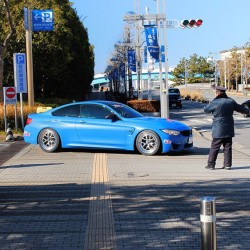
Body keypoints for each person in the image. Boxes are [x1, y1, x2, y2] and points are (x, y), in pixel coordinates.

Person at [204, 86, 249, 170]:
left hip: (218, 127)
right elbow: (241, 109)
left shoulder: (216, 101)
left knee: (215, 146)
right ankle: (227, 165)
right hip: (229, 127)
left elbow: (206, 109)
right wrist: (247, 110)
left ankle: (211, 164)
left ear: (217, 93)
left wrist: (213, 102)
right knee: (227, 146)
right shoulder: (231, 101)